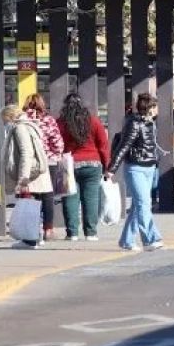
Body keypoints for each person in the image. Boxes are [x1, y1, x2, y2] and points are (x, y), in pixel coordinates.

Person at [106, 93, 164, 252]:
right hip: (135, 168)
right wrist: (111, 169)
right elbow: (123, 146)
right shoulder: (134, 123)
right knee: (144, 203)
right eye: (155, 106)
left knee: (139, 206)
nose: (158, 109)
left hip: (149, 167)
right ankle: (150, 239)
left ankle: (127, 240)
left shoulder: (151, 123)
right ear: (150, 107)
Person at [57, 93, 110, 241]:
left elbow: (57, 143)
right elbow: (103, 145)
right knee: (91, 199)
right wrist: (107, 166)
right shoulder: (93, 121)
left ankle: (72, 233)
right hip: (93, 164)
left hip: (70, 163)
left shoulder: (61, 123)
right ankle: (91, 233)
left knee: (70, 198)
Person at [0, 105, 52, 249]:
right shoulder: (31, 125)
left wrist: (23, 178)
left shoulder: (19, 128)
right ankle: (35, 237)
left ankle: (29, 240)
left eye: (4, 120)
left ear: (10, 117)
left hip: (30, 175)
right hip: (37, 174)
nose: (4, 124)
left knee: (29, 206)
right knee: (35, 207)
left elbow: (26, 152)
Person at [23, 93, 64, 241]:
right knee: (47, 195)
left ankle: (32, 228)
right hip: (48, 161)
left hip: (29, 162)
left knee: (30, 195)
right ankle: (48, 229)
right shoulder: (48, 120)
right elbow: (57, 141)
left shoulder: (23, 120)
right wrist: (56, 154)